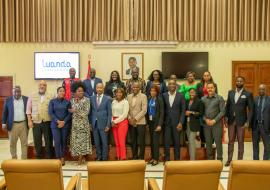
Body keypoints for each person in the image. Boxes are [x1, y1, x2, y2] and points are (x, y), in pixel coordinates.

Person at [225, 76, 254, 167]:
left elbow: (251, 109)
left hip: (242, 122)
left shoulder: (248, 94)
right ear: (235, 82)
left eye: (241, 81)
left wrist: (248, 121)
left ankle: (240, 161)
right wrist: (226, 117)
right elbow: (227, 106)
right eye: (237, 81)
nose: (239, 82)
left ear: (243, 82)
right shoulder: (231, 92)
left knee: (241, 141)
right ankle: (229, 160)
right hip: (231, 121)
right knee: (231, 141)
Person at [26, 80, 54, 159]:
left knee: (48, 141)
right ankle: (38, 158)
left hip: (47, 121)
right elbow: (28, 109)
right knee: (37, 141)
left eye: (44, 85)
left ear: (46, 86)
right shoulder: (32, 95)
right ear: (38, 86)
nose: (42, 86)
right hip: (36, 122)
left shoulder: (51, 95)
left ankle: (49, 158)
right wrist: (29, 121)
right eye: (41, 85)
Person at [2, 86, 28, 159]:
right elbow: (5, 112)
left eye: (18, 91)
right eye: (15, 91)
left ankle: (24, 160)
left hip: (23, 124)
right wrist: (3, 123)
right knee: (12, 144)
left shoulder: (26, 99)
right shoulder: (8, 100)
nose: (17, 93)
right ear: (12, 92)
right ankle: (14, 159)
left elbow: (29, 111)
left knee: (24, 143)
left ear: (21, 91)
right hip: (12, 125)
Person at [69, 82, 92, 165]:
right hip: (75, 124)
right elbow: (69, 110)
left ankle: (80, 159)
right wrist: (72, 111)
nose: (81, 92)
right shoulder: (72, 100)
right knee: (76, 142)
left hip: (83, 124)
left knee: (83, 142)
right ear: (75, 92)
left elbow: (86, 112)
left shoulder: (87, 100)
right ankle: (80, 157)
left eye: (82, 91)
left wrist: (76, 111)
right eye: (79, 91)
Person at [201, 82, 225, 161]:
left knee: (218, 142)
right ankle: (210, 159)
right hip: (206, 124)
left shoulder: (219, 98)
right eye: (208, 88)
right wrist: (206, 119)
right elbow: (201, 112)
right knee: (208, 143)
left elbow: (222, 112)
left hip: (217, 124)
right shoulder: (203, 99)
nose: (210, 89)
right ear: (206, 89)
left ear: (215, 88)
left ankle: (219, 159)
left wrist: (214, 120)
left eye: (212, 87)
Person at [163, 79, 186, 161]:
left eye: (173, 84)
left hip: (177, 123)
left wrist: (181, 122)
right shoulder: (164, 95)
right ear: (167, 86)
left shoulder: (181, 96)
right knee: (166, 142)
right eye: (170, 84)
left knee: (177, 142)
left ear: (176, 85)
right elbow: (162, 110)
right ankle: (167, 160)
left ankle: (177, 160)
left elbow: (183, 111)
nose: (172, 85)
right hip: (167, 123)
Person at [48, 87, 71, 165]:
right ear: (57, 92)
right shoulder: (52, 101)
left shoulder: (67, 102)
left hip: (65, 125)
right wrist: (58, 121)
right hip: (55, 125)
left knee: (63, 142)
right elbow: (51, 113)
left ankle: (62, 157)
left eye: (63, 91)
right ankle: (58, 158)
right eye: (60, 91)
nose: (62, 92)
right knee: (57, 142)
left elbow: (69, 114)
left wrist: (64, 122)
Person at [90, 83, 112, 161]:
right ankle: (99, 157)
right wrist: (90, 124)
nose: (99, 89)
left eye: (101, 88)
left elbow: (110, 113)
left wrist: (108, 125)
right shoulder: (91, 98)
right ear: (95, 89)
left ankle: (104, 157)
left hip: (104, 124)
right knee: (96, 142)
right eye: (98, 88)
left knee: (104, 142)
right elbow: (90, 112)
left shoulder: (107, 98)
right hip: (94, 124)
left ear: (103, 89)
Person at [127, 82, 147, 160]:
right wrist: (129, 119)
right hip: (131, 122)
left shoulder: (143, 96)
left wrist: (135, 119)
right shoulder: (128, 96)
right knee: (133, 141)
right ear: (132, 88)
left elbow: (144, 110)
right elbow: (126, 109)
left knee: (141, 141)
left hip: (140, 122)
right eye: (134, 87)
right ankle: (135, 157)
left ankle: (141, 158)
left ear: (140, 88)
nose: (135, 88)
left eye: (137, 87)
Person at [185, 88, 204, 160]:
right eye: (190, 92)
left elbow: (201, 113)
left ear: (196, 93)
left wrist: (191, 112)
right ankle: (191, 158)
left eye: (193, 92)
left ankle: (192, 160)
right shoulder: (187, 101)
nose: (191, 93)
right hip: (187, 124)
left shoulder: (199, 101)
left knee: (191, 140)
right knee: (189, 142)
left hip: (195, 124)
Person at [252, 84, 270, 160]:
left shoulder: (269, 99)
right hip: (256, 125)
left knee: (267, 145)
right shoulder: (255, 99)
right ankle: (256, 161)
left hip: (265, 125)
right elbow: (252, 112)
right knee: (255, 145)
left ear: (265, 90)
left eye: (263, 89)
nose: (261, 91)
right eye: (260, 89)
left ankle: (265, 162)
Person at [147, 85, 164, 166]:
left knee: (155, 141)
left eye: (154, 91)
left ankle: (156, 159)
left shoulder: (159, 100)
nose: (152, 92)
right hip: (150, 122)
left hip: (157, 123)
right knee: (152, 141)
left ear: (157, 92)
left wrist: (160, 125)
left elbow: (162, 113)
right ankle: (153, 158)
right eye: (151, 90)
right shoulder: (149, 99)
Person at [111, 88, 129, 160]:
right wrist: (112, 121)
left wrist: (115, 122)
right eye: (117, 92)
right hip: (114, 122)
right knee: (117, 142)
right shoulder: (113, 102)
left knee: (121, 141)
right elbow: (111, 113)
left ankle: (123, 157)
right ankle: (118, 157)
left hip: (122, 122)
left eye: (120, 92)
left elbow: (125, 115)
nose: (118, 94)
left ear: (123, 93)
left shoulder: (125, 102)